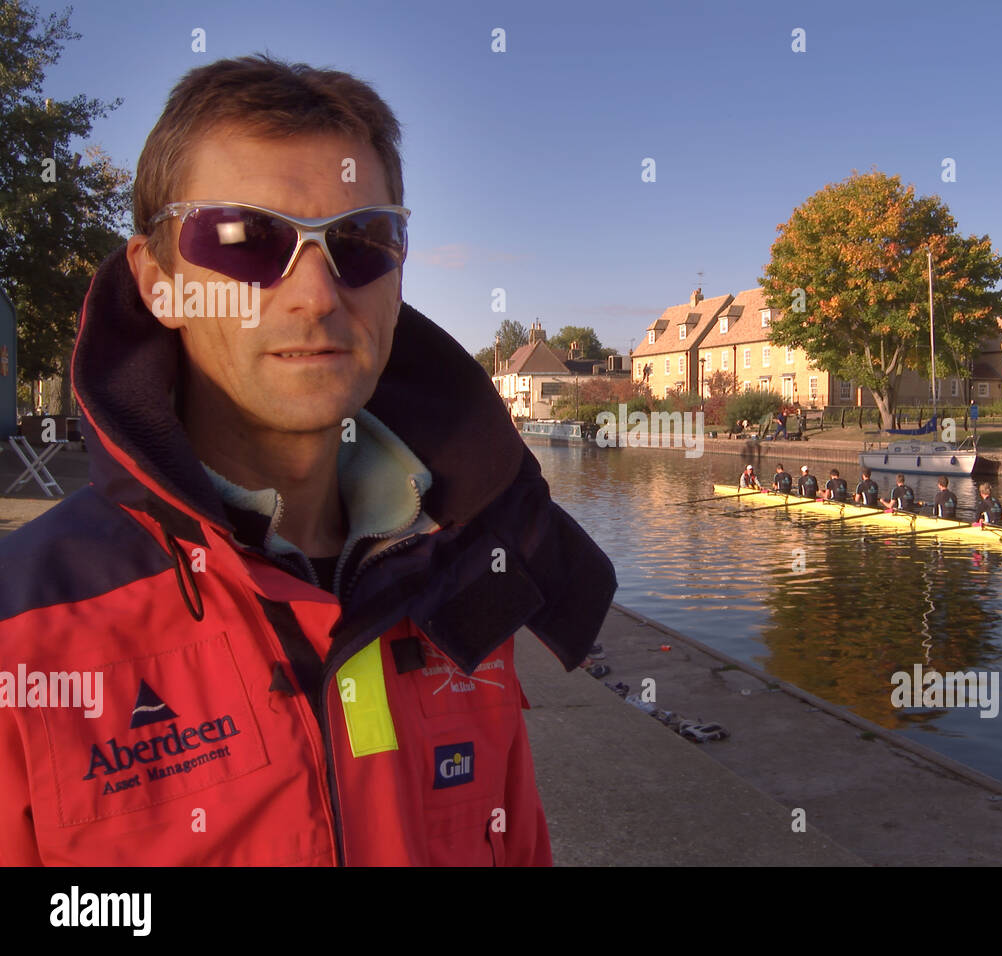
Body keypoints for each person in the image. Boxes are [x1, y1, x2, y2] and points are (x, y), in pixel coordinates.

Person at [0, 55, 616, 867]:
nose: (318, 294)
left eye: (361, 241)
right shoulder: (26, 637)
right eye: (246, 240)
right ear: (158, 283)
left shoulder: (469, 580)